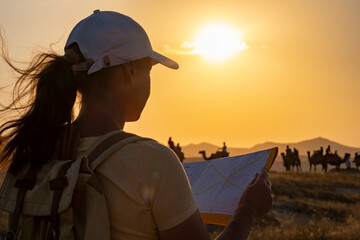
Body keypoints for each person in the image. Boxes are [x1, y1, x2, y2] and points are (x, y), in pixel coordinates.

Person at [0, 10, 272, 240]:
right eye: (149, 71)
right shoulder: (154, 162)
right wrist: (247, 212)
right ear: (130, 72)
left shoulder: (35, 152)